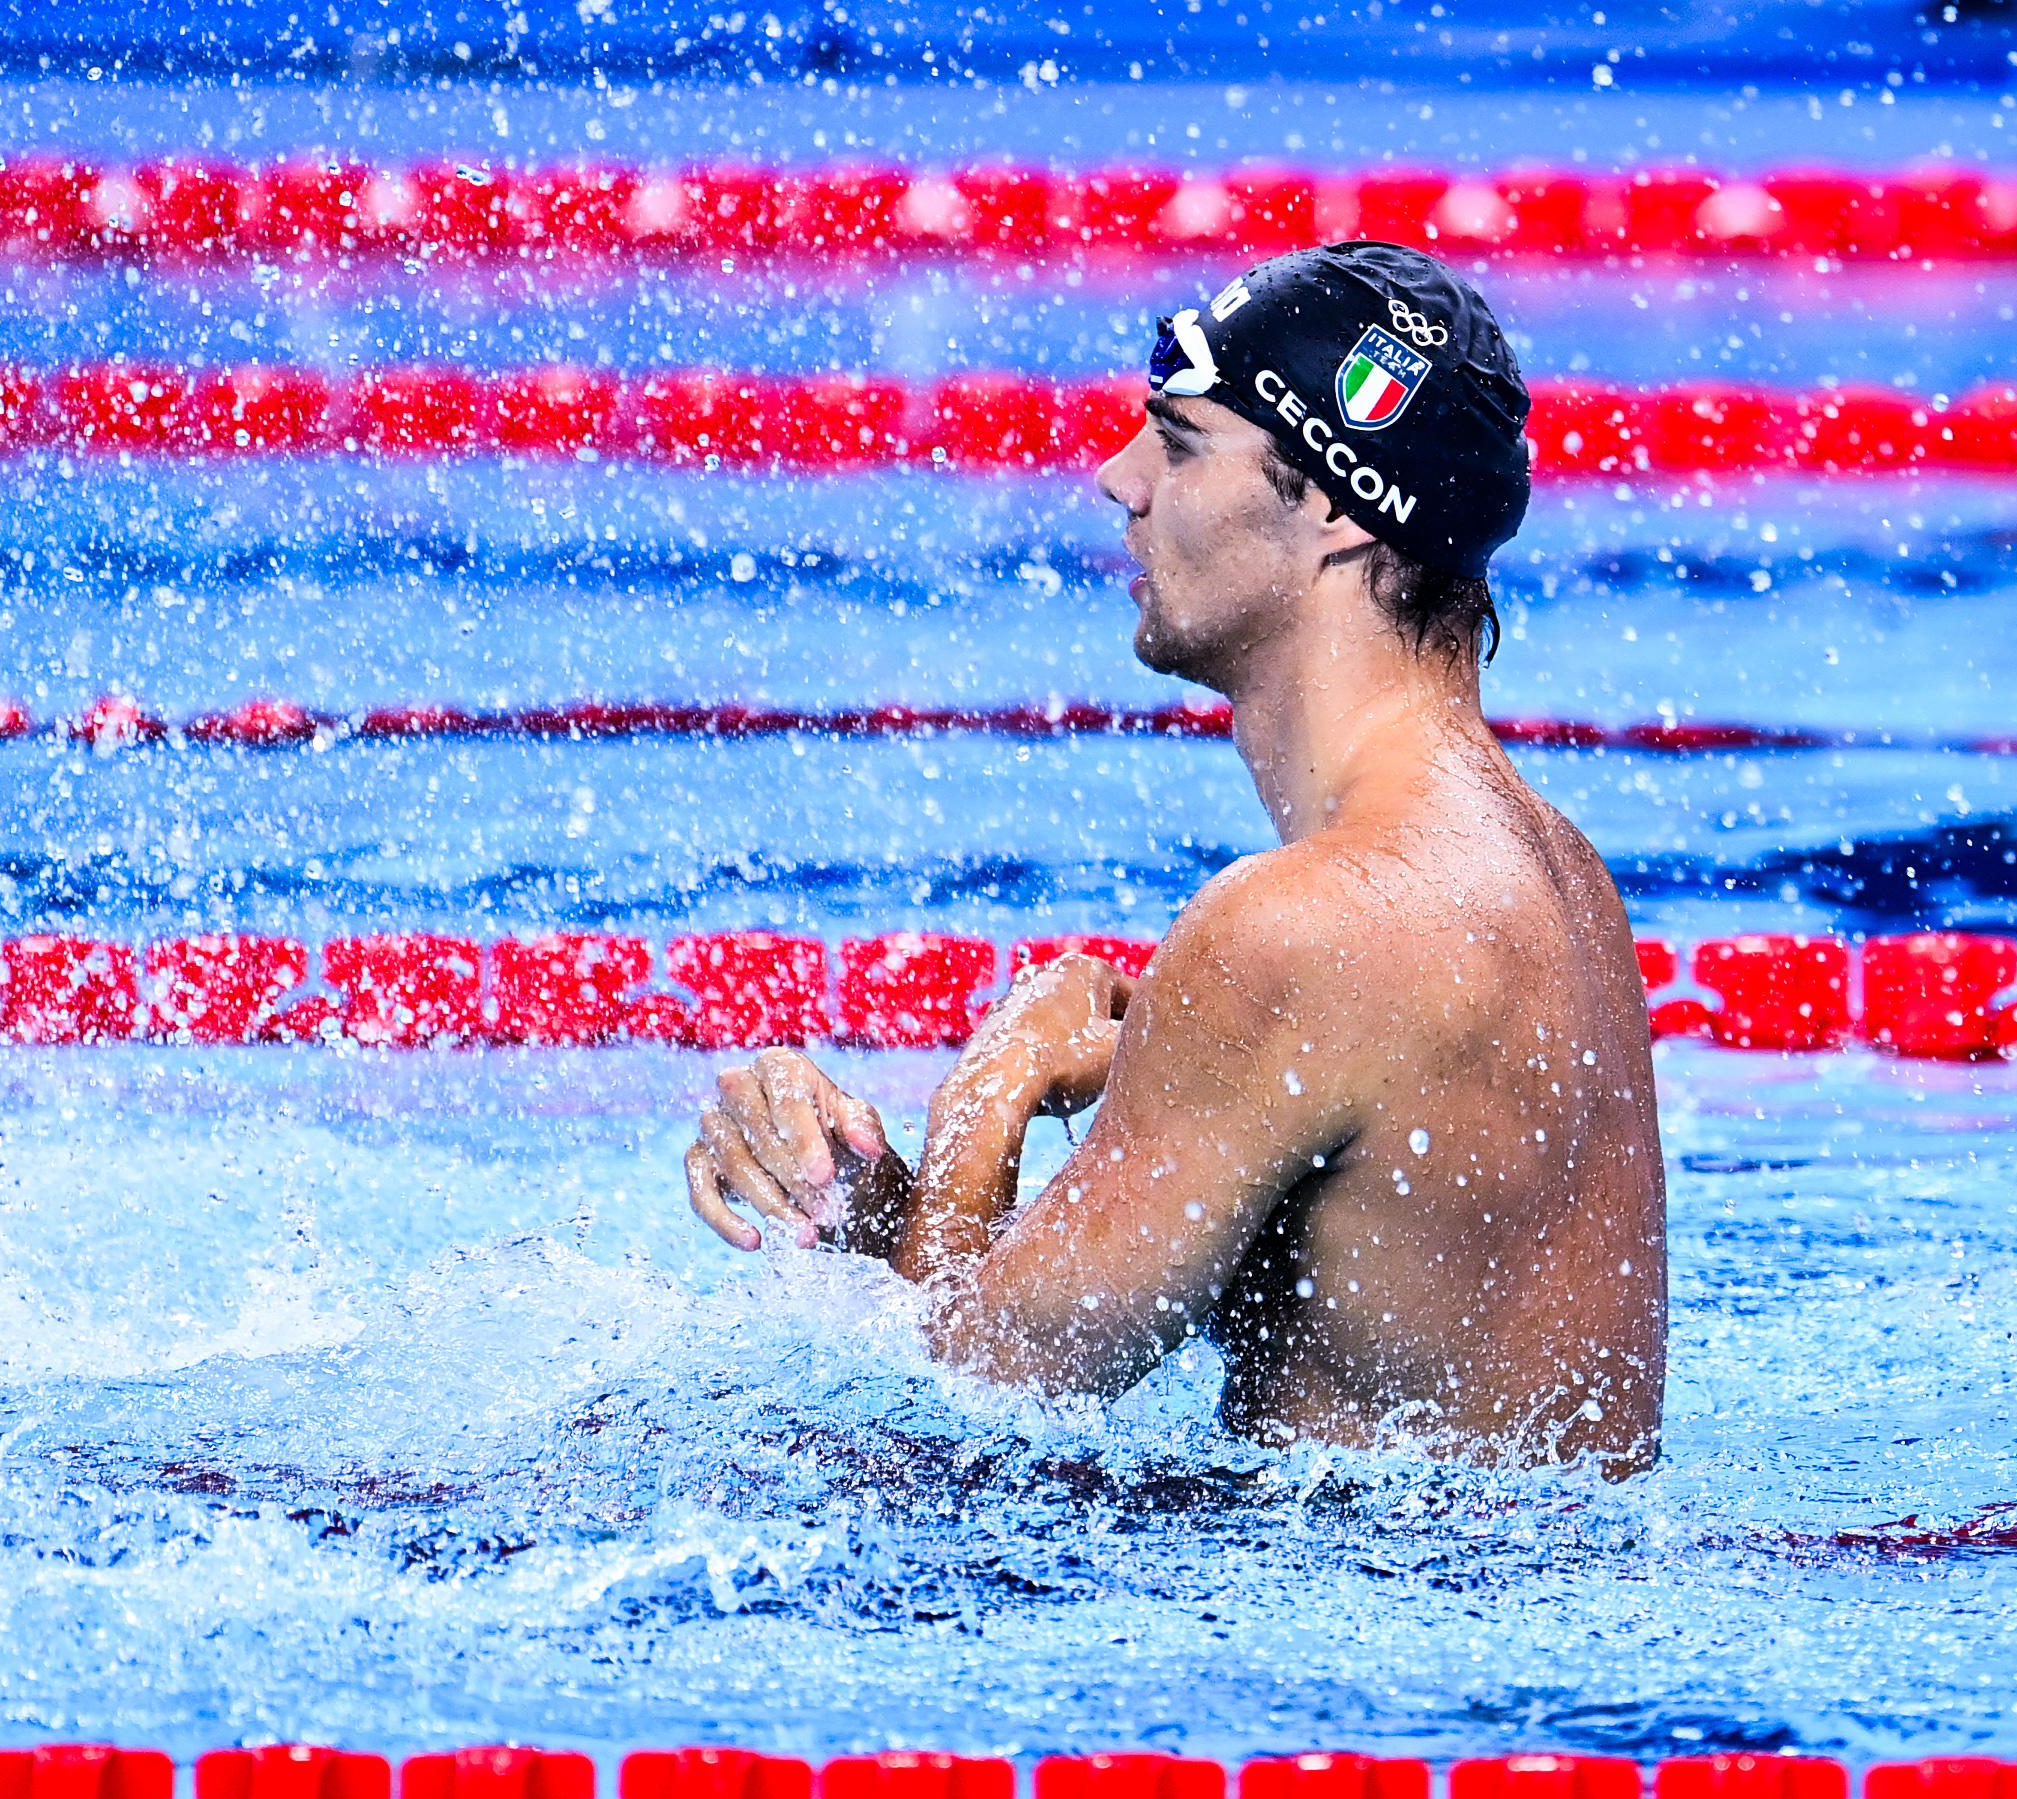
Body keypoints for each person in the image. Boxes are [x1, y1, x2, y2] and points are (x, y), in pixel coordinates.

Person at [683, 242, 1666, 1475]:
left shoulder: (1310, 926)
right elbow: (1044, 1316)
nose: (1118, 478)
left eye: (1182, 443)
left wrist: (991, 1085)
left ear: (1332, 510)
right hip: (1463, 1619)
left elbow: (958, 1417)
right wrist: (849, 1196)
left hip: (1354, 1638)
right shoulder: (1553, 874)